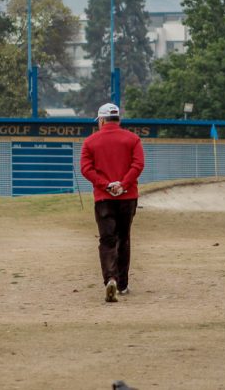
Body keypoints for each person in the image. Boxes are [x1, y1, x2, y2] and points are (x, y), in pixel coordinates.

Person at [80, 103, 145, 303]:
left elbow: (85, 168)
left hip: (103, 198)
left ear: (101, 120)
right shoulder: (133, 139)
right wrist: (123, 184)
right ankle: (123, 284)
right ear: (118, 120)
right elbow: (138, 164)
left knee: (107, 239)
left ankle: (110, 279)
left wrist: (106, 185)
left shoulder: (90, 142)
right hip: (127, 196)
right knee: (123, 239)